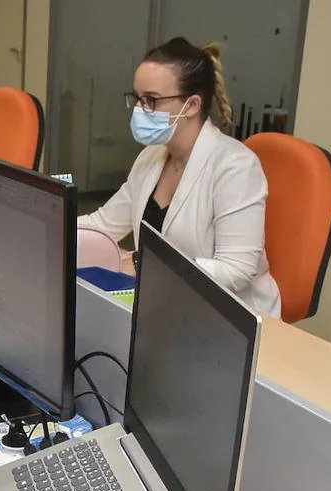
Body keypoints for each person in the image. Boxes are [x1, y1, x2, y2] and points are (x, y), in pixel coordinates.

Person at [78, 37, 281, 317]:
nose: (139, 109)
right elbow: (103, 224)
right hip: (166, 305)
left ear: (193, 105)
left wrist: (142, 264)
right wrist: (52, 225)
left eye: (151, 100)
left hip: (229, 318)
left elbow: (237, 270)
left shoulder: (235, 167)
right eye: (137, 98)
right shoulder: (152, 156)